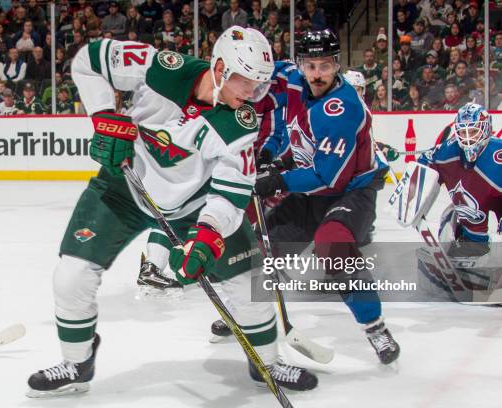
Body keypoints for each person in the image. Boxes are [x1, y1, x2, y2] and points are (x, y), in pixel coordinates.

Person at [26, 26, 318, 398]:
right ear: (220, 67)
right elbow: (89, 60)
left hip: (193, 208)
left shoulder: (240, 124)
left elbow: (231, 194)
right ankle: (76, 364)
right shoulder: (162, 67)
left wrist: (208, 235)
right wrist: (102, 116)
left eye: (258, 86)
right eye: (245, 82)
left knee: (249, 283)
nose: (251, 94)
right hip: (123, 188)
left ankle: (267, 364)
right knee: (71, 276)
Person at [254, 29, 401, 365]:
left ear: (337, 64)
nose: (317, 74)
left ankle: (375, 327)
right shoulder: (295, 82)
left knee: (332, 244)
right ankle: (250, 317)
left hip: (349, 191)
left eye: (324, 65)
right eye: (309, 65)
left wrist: (276, 179)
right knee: (262, 243)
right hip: (311, 190)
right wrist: (271, 157)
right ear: (299, 65)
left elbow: (327, 177)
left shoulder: (342, 108)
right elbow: (289, 131)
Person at [409, 103, 501, 300]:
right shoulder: (447, 152)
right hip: (472, 208)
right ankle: (470, 246)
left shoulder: (498, 154)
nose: (468, 138)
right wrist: (409, 193)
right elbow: (426, 159)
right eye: (463, 132)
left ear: (486, 129)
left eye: (474, 131)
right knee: (456, 214)